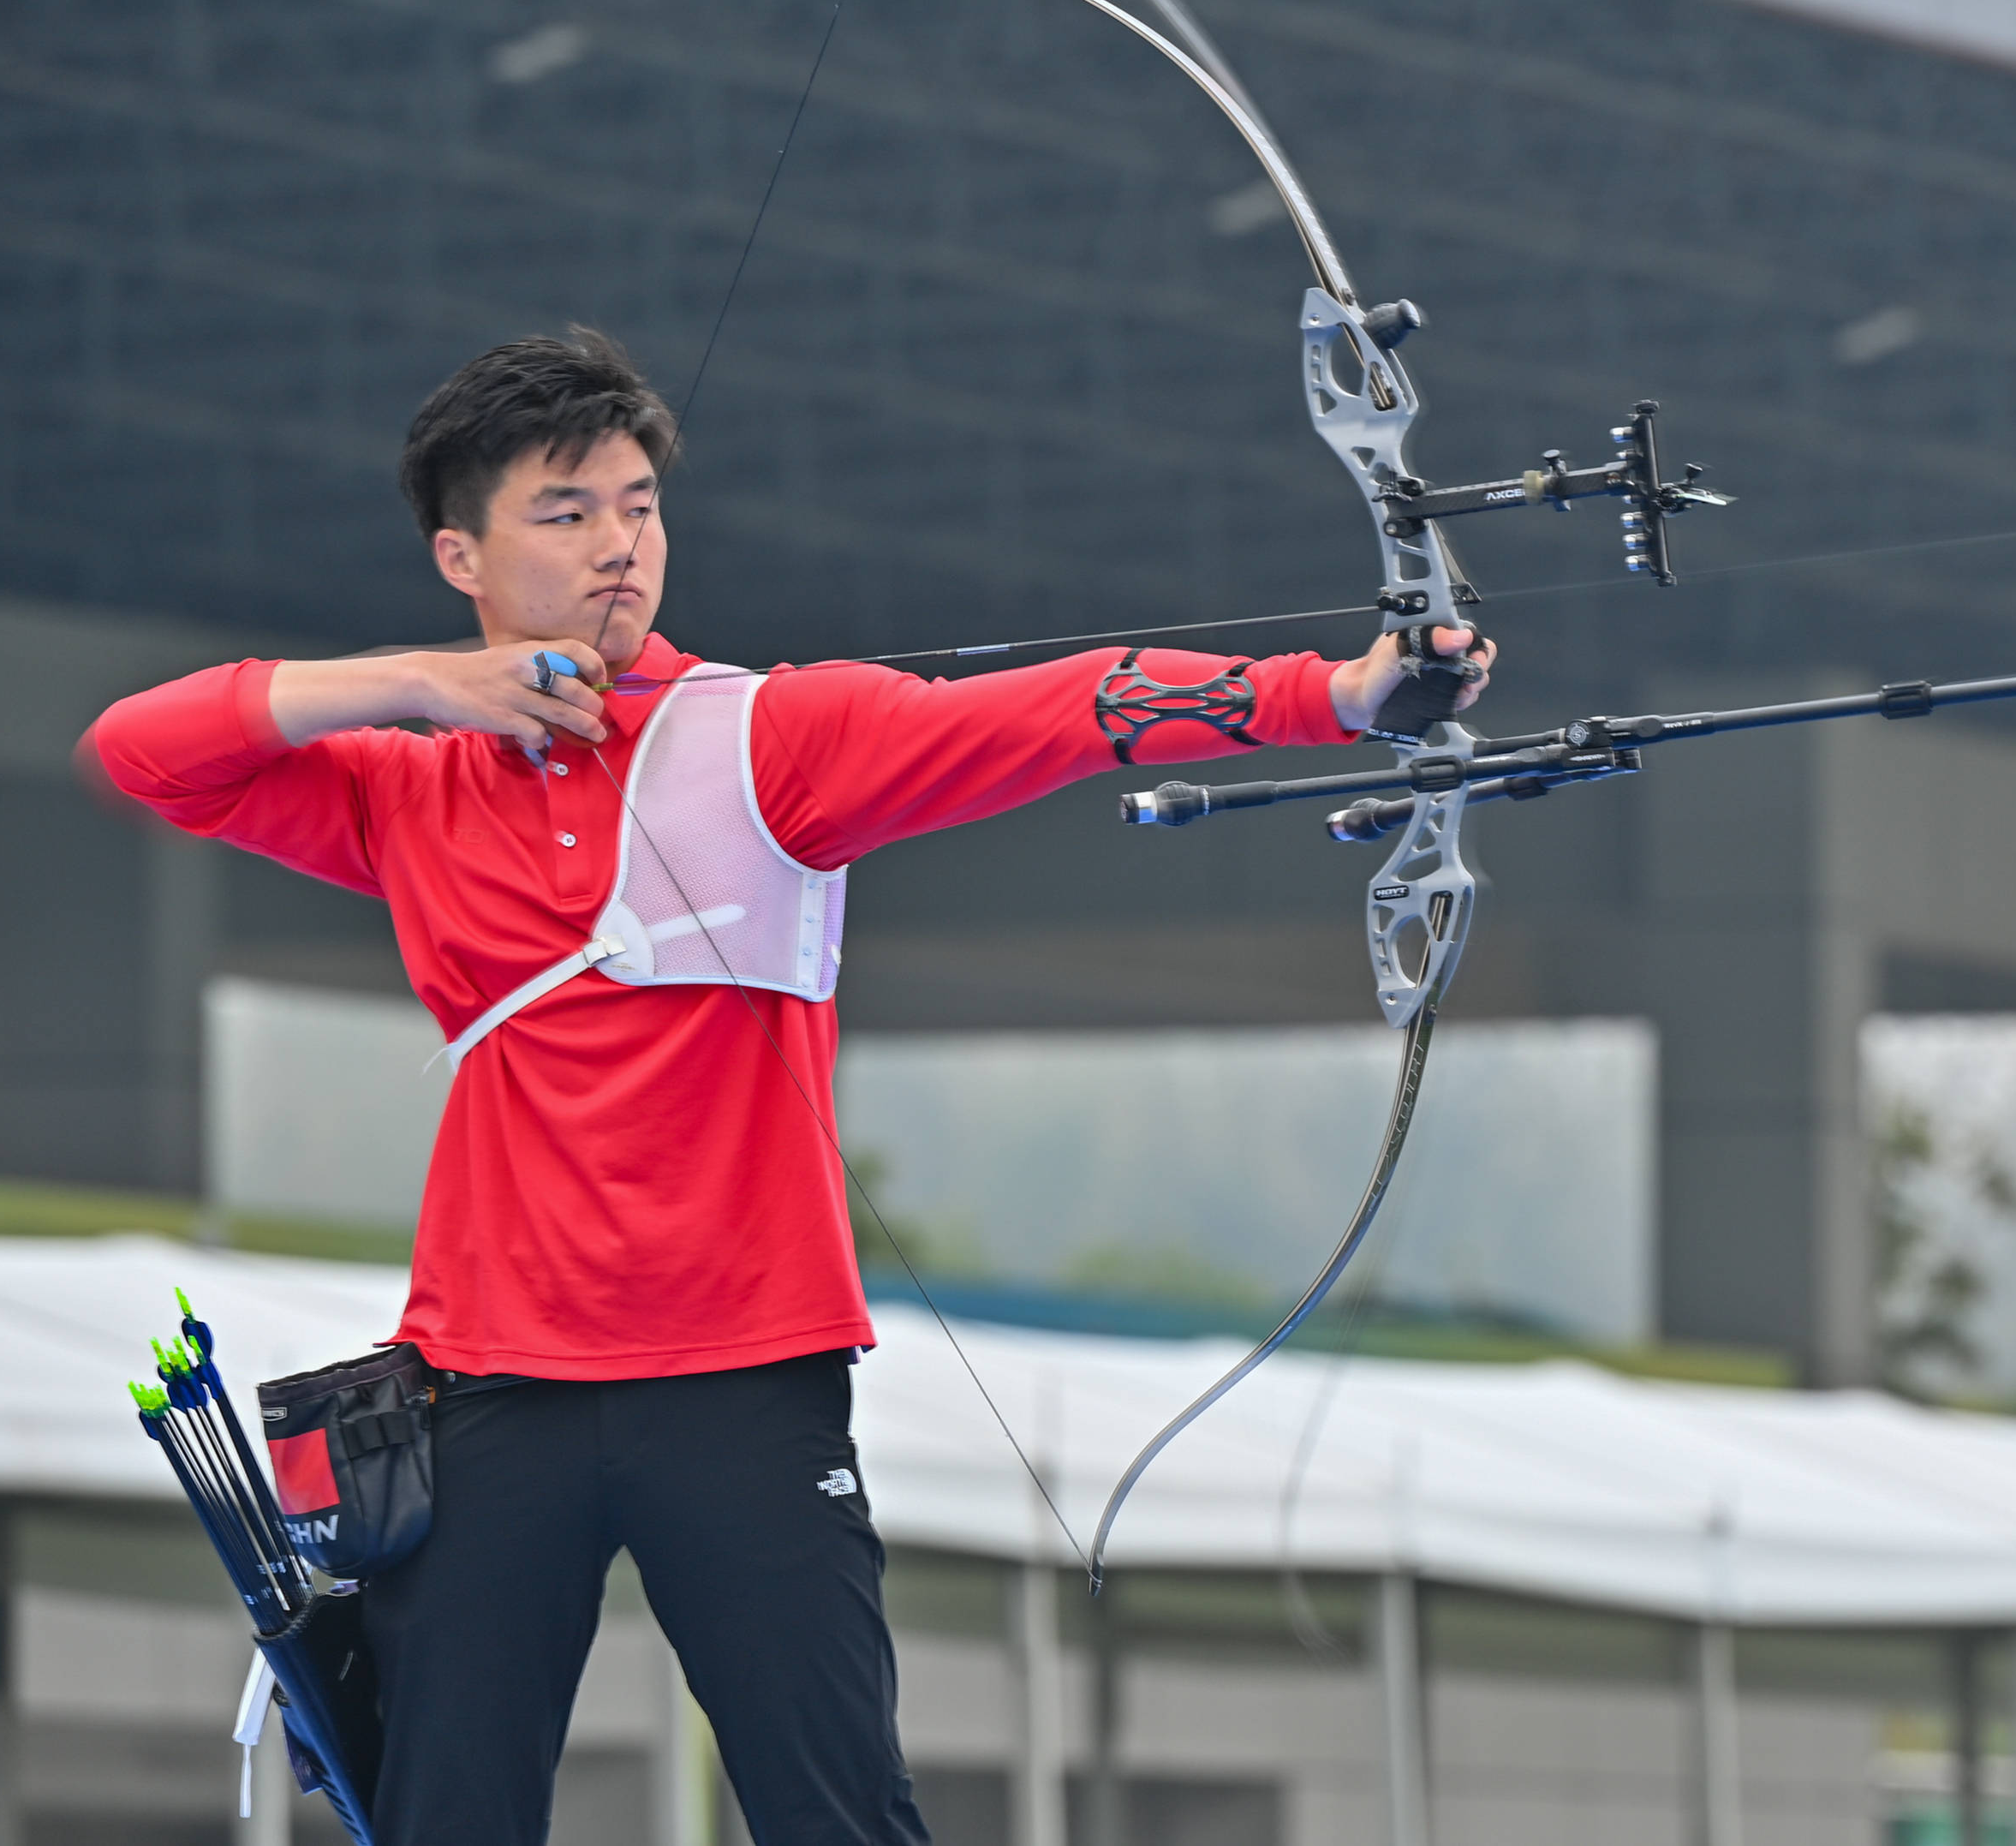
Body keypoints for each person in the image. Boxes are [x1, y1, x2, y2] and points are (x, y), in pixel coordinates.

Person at [84, 326, 1493, 1845]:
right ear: (461, 555)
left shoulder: (766, 737)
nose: (621, 543)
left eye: (640, 506)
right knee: (440, 1816)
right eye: (567, 513)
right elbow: (141, 750)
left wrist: (1340, 694)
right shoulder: (404, 787)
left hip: (743, 1385)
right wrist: (423, 685)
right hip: (487, 1391)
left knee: (836, 1813)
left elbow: (1060, 710)